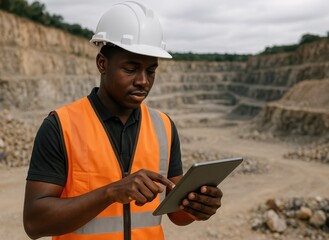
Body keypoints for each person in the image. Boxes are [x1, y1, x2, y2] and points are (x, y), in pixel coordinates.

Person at [23, 2, 223, 240]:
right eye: (130, 68)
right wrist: (111, 193)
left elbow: (177, 215)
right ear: (102, 64)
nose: (143, 81)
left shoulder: (164, 127)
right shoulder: (61, 126)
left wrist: (198, 206)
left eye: (151, 70)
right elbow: (35, 223)